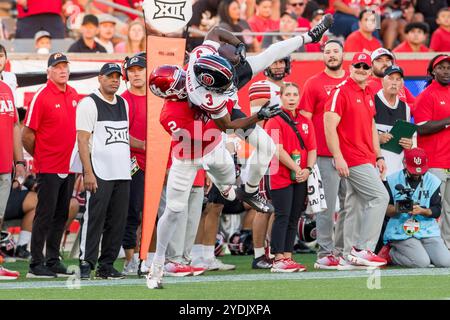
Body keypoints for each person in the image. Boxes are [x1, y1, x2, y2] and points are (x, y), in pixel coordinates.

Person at [185, 17, 332, 214]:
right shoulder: (208, 97)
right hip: (221, 114)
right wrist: (259, 116)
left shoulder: (203, 53)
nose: (234, 84)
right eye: (228, 82)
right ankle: (244, 190)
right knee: (268, 147)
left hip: (221, 80)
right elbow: (228, 125)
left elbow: (216, 31)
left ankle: (310, 36)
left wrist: (239, 45)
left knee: (268, 55)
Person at [324, 52, 389, 267]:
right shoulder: (340, 91)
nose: (361, 70)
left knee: (355, 205)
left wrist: (378, 154)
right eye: (358, 66)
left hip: (366, 156)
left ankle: (345, 255)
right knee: (380, 197)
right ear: (350, 67)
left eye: (365, 66)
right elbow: (329, 125)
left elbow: (371, 125)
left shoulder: (369, 90)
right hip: (352, 157)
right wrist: (338, 157)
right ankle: (363, 249)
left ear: (371, 71)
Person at [77, 63, 140, 280]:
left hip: (122, 171)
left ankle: (107, 265)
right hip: (100, 170)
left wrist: (148, 145)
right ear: (100, 78)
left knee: (118, 220)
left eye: (117, 77)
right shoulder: (89, 103)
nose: (114, 80)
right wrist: (88, 172)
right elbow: (82, 140)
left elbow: (123, 136)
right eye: (110, 76)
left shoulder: (123, 103)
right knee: (94, 218)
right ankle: (86, 262)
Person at [22, 53, 79, 278]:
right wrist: (42, 155)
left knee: (61, 213)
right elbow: (27, 134)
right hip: (48, 166)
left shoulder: (74, 94)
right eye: (57, 67)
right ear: (49, 71)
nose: (62, 70)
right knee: (44, 214)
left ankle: (53, 260)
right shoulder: (42, 95)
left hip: (69, 165)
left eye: (65, 66)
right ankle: (36, 263)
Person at [299, 39, 348, 269]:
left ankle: (343, 250)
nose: (331, 55)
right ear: (323, 56)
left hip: (352, 155)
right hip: (324, 155)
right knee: (326, 207)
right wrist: (309, 152)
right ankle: (325, 253)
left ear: (343, 54)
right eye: (327, 52)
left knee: (352, 206)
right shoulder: (313, 83)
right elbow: (304, 120)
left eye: (335, 51)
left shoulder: (352, 81)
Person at [265, 82, 317, 272]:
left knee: (295, 216)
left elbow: (312, 148)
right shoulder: (274, 120)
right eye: (288, 95)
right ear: (281, 97)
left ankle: (288, 255)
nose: (292, 98)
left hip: (301, 176)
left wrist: (308, 169)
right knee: (282, 215)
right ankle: (278, 257)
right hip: (280, 175)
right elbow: (277, 150)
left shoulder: (305, 120)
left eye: (295, 95)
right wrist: (297, 167)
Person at [248, 57, 291, 269]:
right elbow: (256, 121)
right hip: (267, 151)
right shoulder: (260, 86)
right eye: (274, 62)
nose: (278, 66)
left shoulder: (289, 88)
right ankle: (258, 255)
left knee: (280, 207)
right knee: (264, 205)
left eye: (281, 62)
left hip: (286, 152)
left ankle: (273, 251)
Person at [381, 148, 450, 268]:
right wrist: (402, 207)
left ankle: (422, 253)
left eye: (420, 171)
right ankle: (391, 254)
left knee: (445, 262)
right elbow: (385, 209)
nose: (417, 175)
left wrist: (423, 211)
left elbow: (437, 210)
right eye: (413, 171)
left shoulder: (433, 181)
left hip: (427, 230)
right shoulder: (392, 180)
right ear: (404, 163)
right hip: (401, 231)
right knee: (421, 262)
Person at [414, 54, 450, 249]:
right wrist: (447, 121)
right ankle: (427, 247)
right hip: (435, 161)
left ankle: (447, 247)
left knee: (449, 210)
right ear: (433, 71)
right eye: (441, 67)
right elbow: (420, 127)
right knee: (431, 208)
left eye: (448, 68)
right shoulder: (426, 95)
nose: (446, 71)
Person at [121, 53, 147, 274]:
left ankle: (150, 256)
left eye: (140, 70)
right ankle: (130, 259)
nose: (136, 74)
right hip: (133, 163)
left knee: (155, 213)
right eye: (132, 71)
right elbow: (121, 133)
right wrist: (146, 145)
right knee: (132, 211)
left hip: (158, 163)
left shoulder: (157, 97)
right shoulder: (124, 100)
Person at [0, 75, 25, 280]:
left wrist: (19, 161)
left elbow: (15, 126)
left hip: (4, 165)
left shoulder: (6, 89)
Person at [375, 65, 413, 178]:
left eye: (398, 79)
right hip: (374, 170)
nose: (394, 82)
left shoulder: (405, 107)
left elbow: (408, 139)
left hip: (397, 173)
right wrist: (377, 139)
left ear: (402, 84)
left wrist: (409, 144)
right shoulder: (371, 101)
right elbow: (358, 135)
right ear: (382, 81)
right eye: (390, 78)